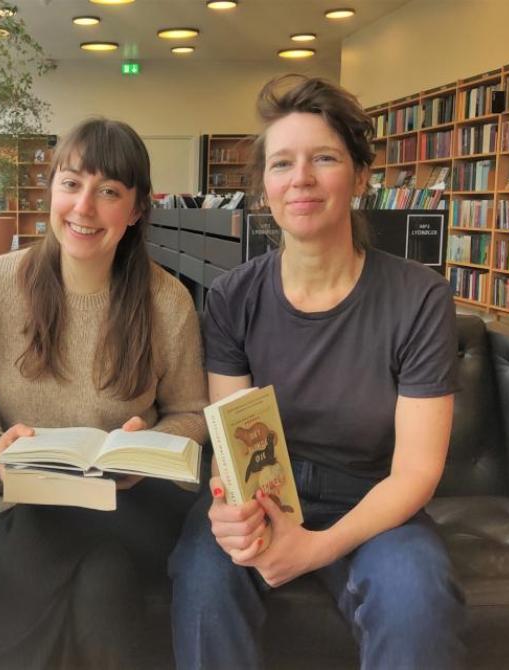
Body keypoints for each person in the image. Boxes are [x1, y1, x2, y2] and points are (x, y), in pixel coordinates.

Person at [169, 75, 466, 670]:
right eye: (282, 163)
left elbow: (415, 471)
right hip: (264, 496)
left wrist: (316, 548)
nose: (300, 178)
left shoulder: (419, 297)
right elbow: (231, 449)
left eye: (324, 158)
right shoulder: (231, 297)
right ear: (265, 187)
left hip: (376, 501)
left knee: (417, 599)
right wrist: (234, 511)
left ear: (360, 177)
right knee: (203, 582)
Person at [0, 118, 208, 670]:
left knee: (51, 539)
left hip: (132, 503)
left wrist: (147, 446)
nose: (84, 207)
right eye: (71, 184)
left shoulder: (168, 301)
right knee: (102, 584)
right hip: (30, 499)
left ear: (136, 209)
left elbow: (190, 413)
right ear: (52, 190)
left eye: (109, 191)